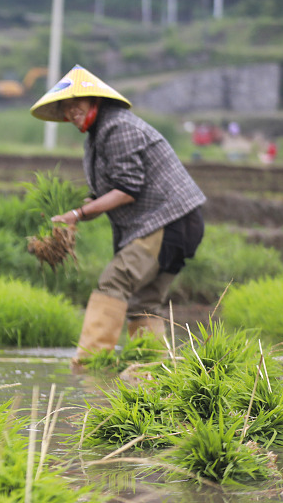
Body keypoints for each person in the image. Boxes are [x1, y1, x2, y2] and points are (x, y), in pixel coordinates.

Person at [29, 65, 206, 366]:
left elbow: (127, 190)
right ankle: (155, 372)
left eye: (77, 106)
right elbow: (107, 193)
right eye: (66, 109)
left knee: (115, 280)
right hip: (178, 222)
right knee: (144, 302)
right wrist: (75, 214)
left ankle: (89, 365)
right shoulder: (99, 136)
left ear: (95, 100)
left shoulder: (118, 127)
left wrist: (79, 212)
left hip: (168, 220)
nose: (72, 114)